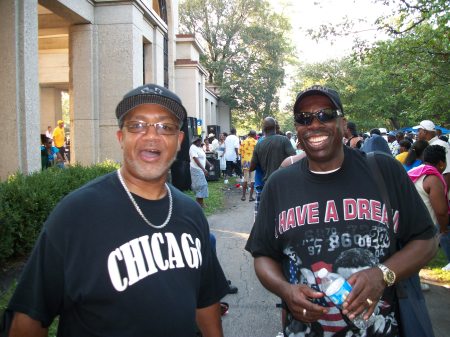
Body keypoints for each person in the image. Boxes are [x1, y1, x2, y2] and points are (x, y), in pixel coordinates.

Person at [2, 83, 229, 337]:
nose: (152, 135)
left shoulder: (191, 213)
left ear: (179, 141)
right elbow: (27, 320)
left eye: (165, 127)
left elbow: (206, 303)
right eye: (137, 125)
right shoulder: (76, 215)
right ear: (121, 138)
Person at [245, 85, 437, 337]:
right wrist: (286, 290)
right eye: (304, 118)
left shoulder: (383, 171)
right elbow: (263, 255)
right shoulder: (279, 185)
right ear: (297, 129)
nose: (314, 124)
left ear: (342, 122)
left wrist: (382, 274)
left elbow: (427, 240)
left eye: (325, 114)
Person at [407, 145, 450, 273]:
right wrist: (443, 229)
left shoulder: (414, 171)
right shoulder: (433, 179)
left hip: (407, 221)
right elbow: (441, 212)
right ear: (442, 163)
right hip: (424, 226)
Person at [413, 120, 450, 190]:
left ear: (425, 132)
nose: (417, 134)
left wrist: (444, 193)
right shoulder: (429, 145)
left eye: (419, 131)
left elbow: (447, 172)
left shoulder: (440, 144)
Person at [190, 136, 214, 208]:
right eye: (198, 141)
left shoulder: (199, 148)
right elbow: (196, 159)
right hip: (196, 169)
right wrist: (203, 169)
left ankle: (199, 203)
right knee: (201, 185)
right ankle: (200, 204)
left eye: (200, 141)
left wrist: (210, 164)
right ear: (195, 142)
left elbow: (204, 157)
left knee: (201, 185)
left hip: (200, 169)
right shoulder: (193, 148)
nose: (200, 142)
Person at [239, 130, 257, 201]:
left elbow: (239, 152)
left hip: (245, 162)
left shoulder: (243, 142)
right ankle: (250, 197)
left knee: (245, 179)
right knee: (253, 180)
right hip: (253, 162)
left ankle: (243, 196)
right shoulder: (256, 142)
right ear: (254, 135)